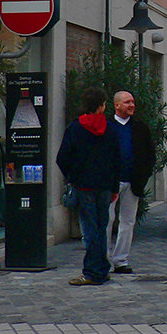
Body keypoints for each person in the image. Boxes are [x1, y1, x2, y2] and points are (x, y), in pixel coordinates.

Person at [56, 87, 121, 286]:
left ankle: (93, 272)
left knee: (89, 229)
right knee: (101, 228)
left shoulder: (75, 128)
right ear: (102, 106)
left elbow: (62, 158)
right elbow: (117, 160)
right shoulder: (110, 129)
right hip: (104, 186)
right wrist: (114, 187)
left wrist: (73, 177)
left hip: (84, 186)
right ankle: (101, 268)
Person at [105, 90, 156, 275]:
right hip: (110, 182)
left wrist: (143, 176)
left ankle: (121, 260)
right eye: (127, 102)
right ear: (117, 105)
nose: (132, 105)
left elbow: (150, 153)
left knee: (128, 221)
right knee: (107, 220)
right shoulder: (107, 126)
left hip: (133, 182)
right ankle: (104, 260)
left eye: (133, 101)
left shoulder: (140, 127)